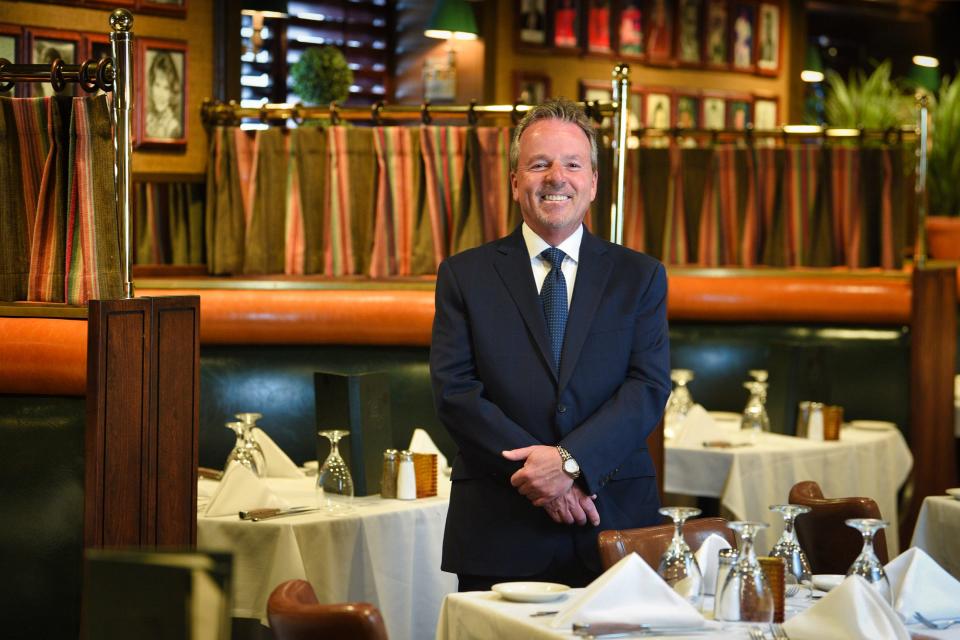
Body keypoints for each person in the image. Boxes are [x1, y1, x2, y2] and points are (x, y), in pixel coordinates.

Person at [430, 99, 670, 591]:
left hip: (614, 521)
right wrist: (540, 481)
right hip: (499, 527)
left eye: (572, 164)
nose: (556, 177)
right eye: (539, 164)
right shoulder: (464, 275)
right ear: (516, 180)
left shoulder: (640, 276)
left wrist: (570, 463)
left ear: (594, 183)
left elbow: (647, 387)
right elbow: (456, 392)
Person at [145, 51, 182, 139]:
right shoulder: (147, 120)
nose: (160, 94)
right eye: (157, 85)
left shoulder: (174, 128)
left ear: (172, 92)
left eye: (166, 88)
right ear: (152, 85)